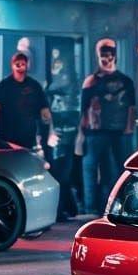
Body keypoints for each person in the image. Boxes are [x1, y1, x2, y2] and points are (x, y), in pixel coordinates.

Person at [81, 38, 136, 213]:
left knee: (121, 170)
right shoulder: (91, 81)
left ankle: (122, 207)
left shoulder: (126, 81)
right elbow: (83, 110)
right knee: (95, 171)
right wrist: (82, 134)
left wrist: (128, 128)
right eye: (103, 54)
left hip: (119, 132)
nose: (107, 58)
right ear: (98, 56)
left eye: (110, 54)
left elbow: (132, 107)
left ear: (115, 56)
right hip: (96, 134)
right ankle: (93, 209)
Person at [45, 53, 82, 221]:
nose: (57, 69)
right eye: (55, 65)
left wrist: (79, 136)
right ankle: (61, 211)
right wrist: (49, 133)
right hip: (57, 136)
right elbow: (46, 114)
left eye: (60, 64)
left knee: (65, 175)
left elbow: (80, 112)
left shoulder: (75, 88)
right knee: (58, 175)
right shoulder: (49, 89)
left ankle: (65, 210)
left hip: (70, 135)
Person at [0, 52, 51, 149]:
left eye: (23, 65)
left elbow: (44, 108)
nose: (20, 68)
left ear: (27, 66)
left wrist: (48, 130)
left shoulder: (34, 85)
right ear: (12, 66)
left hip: (29, 137)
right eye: (17, 65)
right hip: (8, 137)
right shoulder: (4, 86)